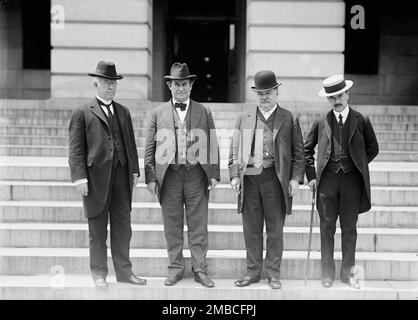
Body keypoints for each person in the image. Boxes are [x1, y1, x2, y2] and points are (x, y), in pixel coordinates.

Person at [68, 61, 146, 288]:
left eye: (113, 83)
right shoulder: (82, 112)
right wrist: (79, 177)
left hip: (122, 178)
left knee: (123, 228)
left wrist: (134, 171)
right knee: (97, 230)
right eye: (106, 82)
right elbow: (76, 148)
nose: (110, 87)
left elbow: (130, 144)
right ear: (96, 83)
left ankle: (124, 273)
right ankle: (99, 273)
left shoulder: (123, 111)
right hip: (95, 180)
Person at [144, 62, 220, 288]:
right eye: (176, 84)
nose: (180, 89)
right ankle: (175, 268)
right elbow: (149, 146)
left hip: (196, 175)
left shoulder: (204, 111)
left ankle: (200, 269)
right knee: (172, 225)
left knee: (198, 225)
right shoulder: (157, 113)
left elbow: (213, 143)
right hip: (170, 176)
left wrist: (214, 173)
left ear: (191, 86)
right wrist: (150, 176)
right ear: (169, 86)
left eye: (184, 84)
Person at [229, 70, 305, 289]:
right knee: (251, 230)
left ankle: (273, 274)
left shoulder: (288, 117)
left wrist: (295, 179)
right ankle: (252, 273)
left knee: (275, 230)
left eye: (268, 92)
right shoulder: (245, 117)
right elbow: (234, 151)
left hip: (275, 180)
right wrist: (234, 175)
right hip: (250, 180)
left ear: (277, 92)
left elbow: (298, 154)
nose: (264, 97)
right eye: (260, 93)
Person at [304, 74, 379, 289]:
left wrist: (358, 163)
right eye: (332, 98)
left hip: (352, 183)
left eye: (339, 95)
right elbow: (306, 150)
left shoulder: (361, 120)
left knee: (349, 228)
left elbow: (373, 149)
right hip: (326, 182)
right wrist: (311, 177)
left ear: (347, 94)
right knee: (326, 228)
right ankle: (327, 274)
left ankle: (347, 274)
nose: (336, 101)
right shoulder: (321, 121)